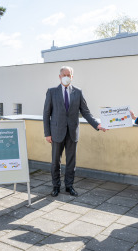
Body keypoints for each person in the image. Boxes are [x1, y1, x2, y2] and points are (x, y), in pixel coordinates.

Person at [43, 66, 106, 197]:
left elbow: (86, 112)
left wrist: (97, 125)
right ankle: (56, 187)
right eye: (64, 75)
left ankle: (69, 186)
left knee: (71, 162)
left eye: (69, 75)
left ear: (72, 76)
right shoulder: (51, 92)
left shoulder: (78, 92)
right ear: (60, 76)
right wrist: (47, 133)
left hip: (72, 132)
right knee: (55, 161)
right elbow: (46, 114)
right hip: (56, 133)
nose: (67, 77)